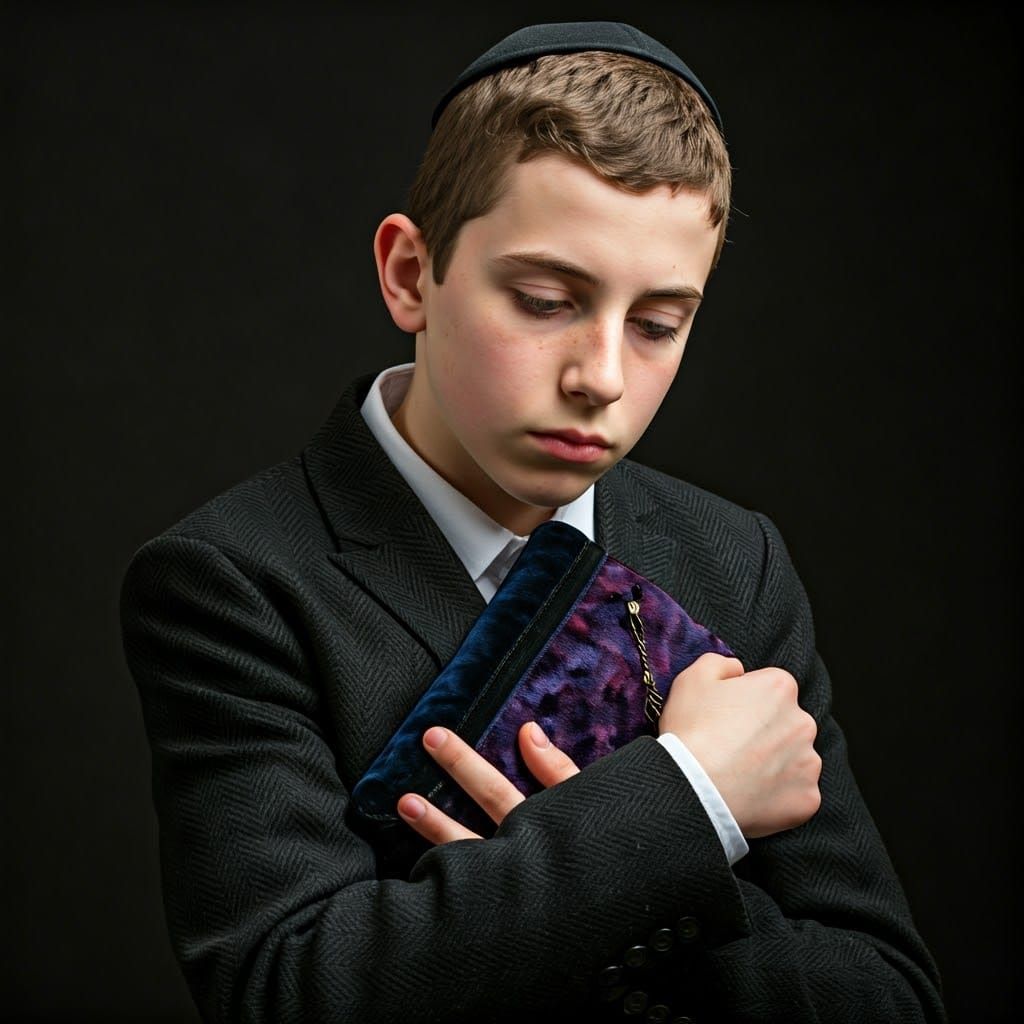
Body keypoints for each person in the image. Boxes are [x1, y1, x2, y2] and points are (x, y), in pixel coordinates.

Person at [120, 21, 945, 1023]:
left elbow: (889, 996)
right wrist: (685, 798)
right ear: (409, 274)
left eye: (657, 325)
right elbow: (288, 990)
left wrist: (612, 879)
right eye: (547, 300)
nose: (600, 377)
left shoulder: (736, 559)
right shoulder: (233, 580)